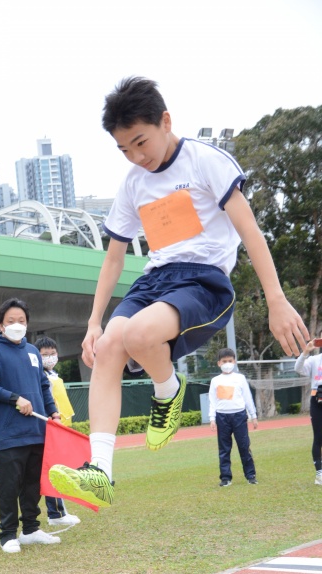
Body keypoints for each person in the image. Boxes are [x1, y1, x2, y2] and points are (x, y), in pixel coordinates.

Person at [49, 76, 309, 509]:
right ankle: (100, 471)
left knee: (137, 334)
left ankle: (168, 389)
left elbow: (250, 231)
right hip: (155, 279)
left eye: (140, 142)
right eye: (124, 149)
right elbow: (113, 259)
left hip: (203, 280)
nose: (137, 156)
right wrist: (94, 322)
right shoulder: (133, 183)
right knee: (110, 343)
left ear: (165, 121)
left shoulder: (206, 161)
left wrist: (276, 299)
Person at [0, 298, 62, 553]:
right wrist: (15, 399)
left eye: (21, 320)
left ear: (27, 324)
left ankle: (31, 529)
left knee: (33, 483)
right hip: (8, 433)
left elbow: (43, 385)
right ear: (1, 325)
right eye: (10, 321)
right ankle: (8, 534)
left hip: (37, 430)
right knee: (10, 486)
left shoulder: (32, 351)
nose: (16, 325)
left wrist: (53, 412)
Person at [34, 336, 81, 527]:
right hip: (52, 429)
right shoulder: (41, 377)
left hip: (62, 428)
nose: (50, 357)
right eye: (45, 355)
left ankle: (59, 511)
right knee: (54, 471)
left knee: (59, 470)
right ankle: (56, 513)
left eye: (53, 353)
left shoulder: (54, 375)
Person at [208, 348, 258, 486]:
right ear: (219, 363)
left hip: (239, 416)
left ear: (234, 361)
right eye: (224, 361)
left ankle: (250, 475)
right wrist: (212, 418)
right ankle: (225, 478)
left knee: (244, 446)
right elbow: (212, 400)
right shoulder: (215, 381)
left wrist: (253, 415)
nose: (227, 364)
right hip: (222, 416)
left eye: (230, 361)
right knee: (224, 448)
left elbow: (247, 397)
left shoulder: (240, 378)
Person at [294, 339, 322, 486]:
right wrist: (305, 352)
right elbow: (298, 368)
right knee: (318, 437)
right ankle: (319, 474)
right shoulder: (314, 360)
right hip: (317, 400)